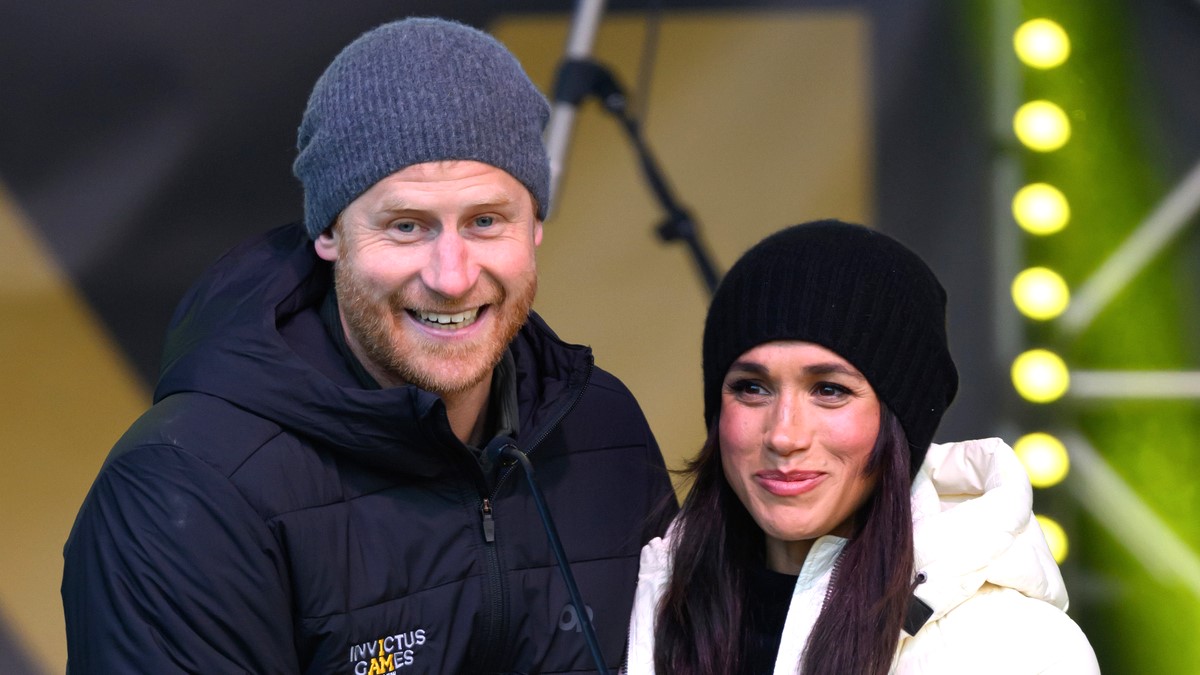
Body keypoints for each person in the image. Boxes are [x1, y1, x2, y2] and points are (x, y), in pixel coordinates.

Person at [62, 17, 675, 674]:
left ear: (535, 228)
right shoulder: (185, 487)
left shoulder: (603, 430)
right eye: (407, 225)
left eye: (486, 221)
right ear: (329, 234)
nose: (452, 274)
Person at [623, 220, 1100, 674]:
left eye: (829, 390)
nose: (784, 435)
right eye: (752, 387)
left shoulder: (1022, 652)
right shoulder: (638, 603)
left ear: (902, 421)